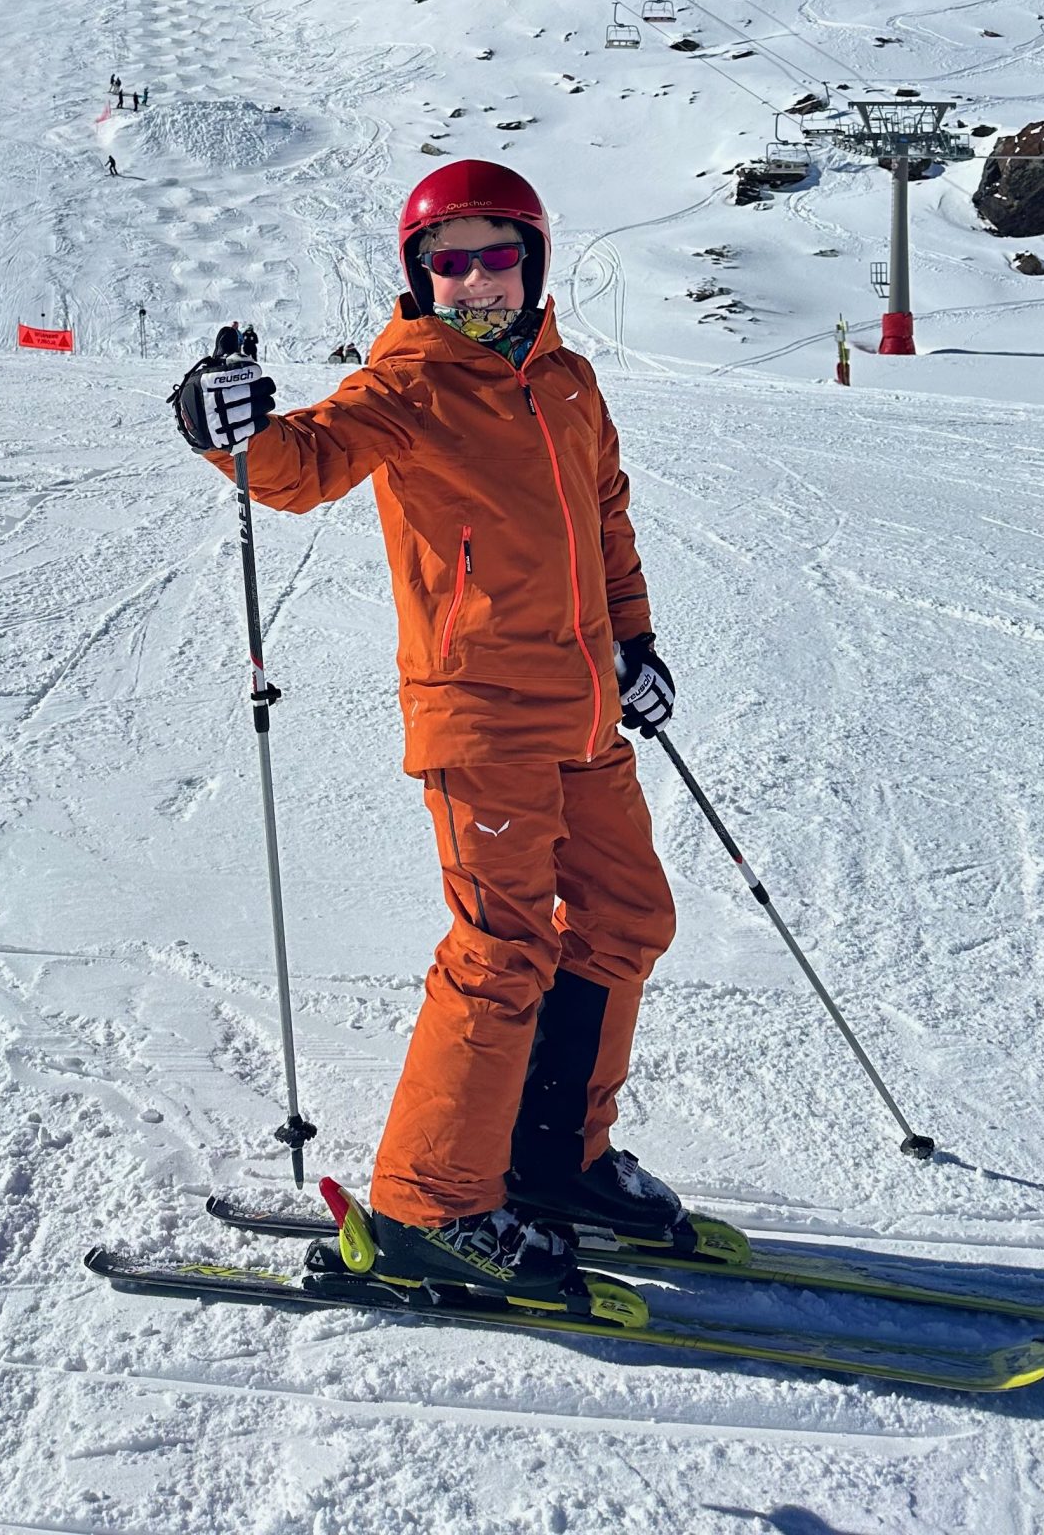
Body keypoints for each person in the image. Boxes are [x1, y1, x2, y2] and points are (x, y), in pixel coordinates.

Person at [172, 160, 680, 1296]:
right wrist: (226, 427)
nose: (476, 281)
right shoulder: (405, 388)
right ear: (419, 277)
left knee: (629, 913)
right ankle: (428, 1203)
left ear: (534, 263)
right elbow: (303, 463)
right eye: (448, 261)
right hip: (481, 717)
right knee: (502, 950)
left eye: (498, 255)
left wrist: (634, 644)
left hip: (586, 708)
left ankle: (555, 1158)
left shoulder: (570, 384)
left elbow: (607, 521)